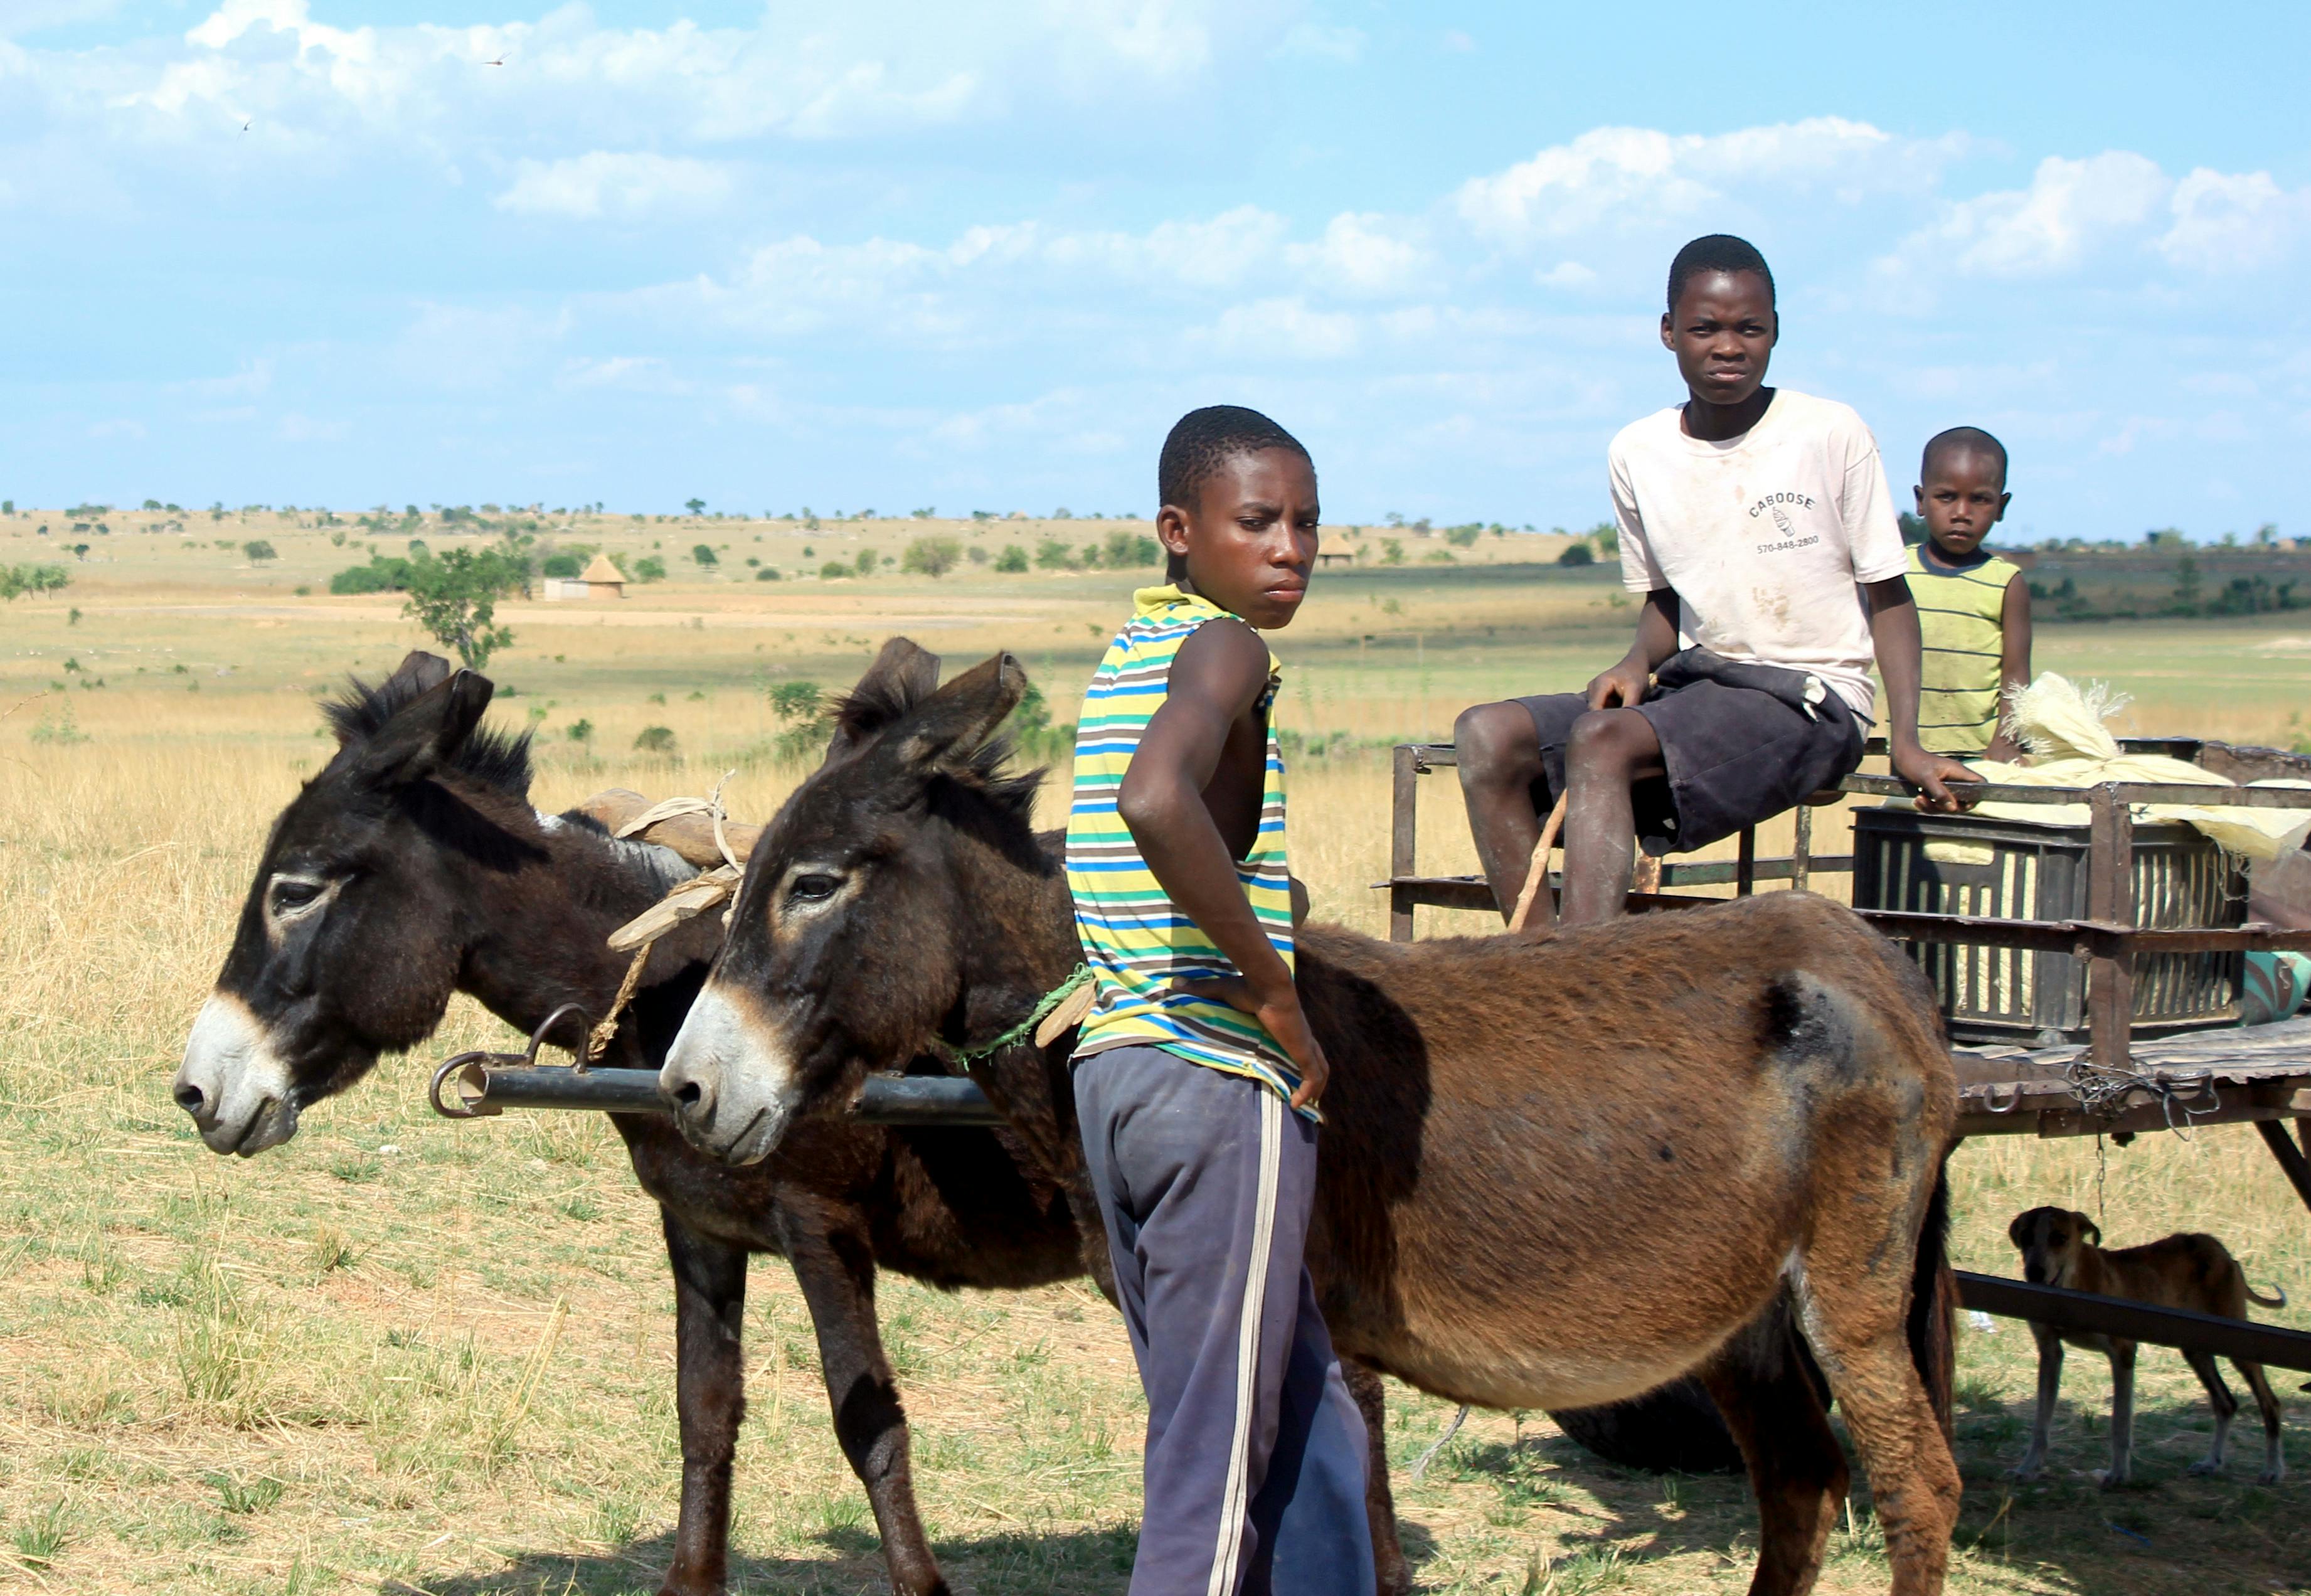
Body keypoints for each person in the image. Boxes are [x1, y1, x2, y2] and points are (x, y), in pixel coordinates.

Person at [1063, 404, 1374, 1594]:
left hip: (1117, 1073)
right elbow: (1154, 800)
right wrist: (1273, 992)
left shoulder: (1127, 654)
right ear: (1178, 531)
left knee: (1296, 1401)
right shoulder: (1227, 650)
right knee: (1210, 1458)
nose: (1289, 546)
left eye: (1304, 521)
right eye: (1257, 522)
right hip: (1212, 1073)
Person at [1457, 234, 1978, 927]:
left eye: (1749, 328)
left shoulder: (1829, 432)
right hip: (1700, 687)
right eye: (1705, 328)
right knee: (1486, 734)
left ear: (1775, 332)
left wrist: (1906, 741)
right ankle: (1536, 966)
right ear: (1669, 332)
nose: (1728, 346)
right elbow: (1666, 604)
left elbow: (1888, 595)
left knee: (1602, 741)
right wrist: (1637, 659)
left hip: (1813, 698)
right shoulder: (1638, 451)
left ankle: (1584, 976)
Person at [1908, 426, 2030, 761]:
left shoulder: (2006, 582)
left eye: (1979, 500)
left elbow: (2016, 675)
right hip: (1912, 756)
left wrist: (2006, 741)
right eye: (1946, 497)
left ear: (2001, 507)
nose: (1962, 513)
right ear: (1921, 500)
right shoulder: (1894, 573)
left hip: (1984, 756)